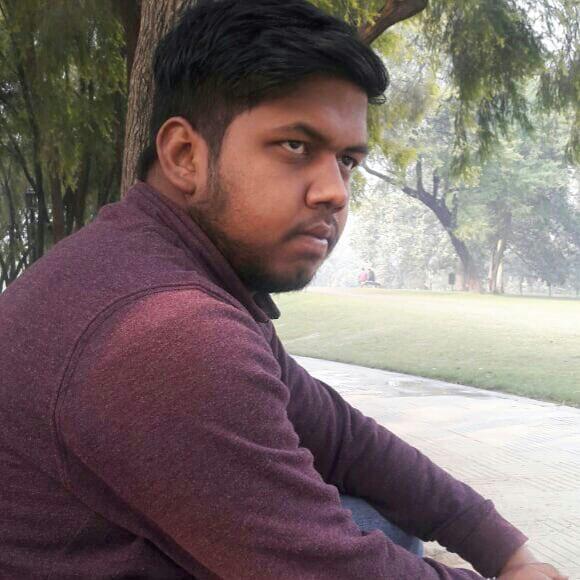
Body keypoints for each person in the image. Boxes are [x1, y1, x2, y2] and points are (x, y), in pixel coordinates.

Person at [0, 1, 567, 579]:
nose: (335, 192)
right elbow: (329, 567)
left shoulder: (155, 266)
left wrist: (505, 550)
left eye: (347, 161)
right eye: (295, 146)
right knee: (371, 531)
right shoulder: (167, 333)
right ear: (184, 156)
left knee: (380, 518)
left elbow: (341, 438)